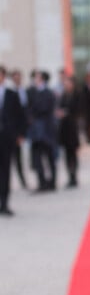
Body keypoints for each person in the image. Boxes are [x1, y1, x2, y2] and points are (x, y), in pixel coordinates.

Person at [0, 66, 26, 215]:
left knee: (6, 170)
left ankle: (5, 203)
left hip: (7, 138)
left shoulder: (12, 94)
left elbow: (20, 116)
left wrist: (20, 134)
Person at [28, 70, 58, 192]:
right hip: (36, 131)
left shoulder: (48, 93)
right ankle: (42, 182)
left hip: (46, 130)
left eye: (38, 77)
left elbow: (43, 108)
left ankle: (52, 182)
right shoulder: (32, 91)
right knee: (37, 158)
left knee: (50, 157)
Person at [56, 75, 81, 188]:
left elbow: (79, 110)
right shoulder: (63, 95)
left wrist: (67, 113)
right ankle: (70, 176)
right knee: (66, 154)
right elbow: (59, 107)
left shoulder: (76, 95)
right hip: (64, 129)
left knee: (73, 154)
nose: (66, 85)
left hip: (72, 128)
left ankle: (74, 175)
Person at [9, 69, 29, 189]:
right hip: (7, 132)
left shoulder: (24, 92)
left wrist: (21, 133)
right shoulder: (10, 93)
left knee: (18, 158)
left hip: (17, 130)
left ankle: (22, 180)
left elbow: (21, 115)